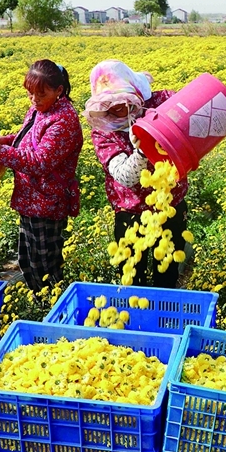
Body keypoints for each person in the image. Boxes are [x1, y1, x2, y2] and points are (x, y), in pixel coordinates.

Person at [0, 60, 82, 291]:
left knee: (45, 268)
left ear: (59, 91)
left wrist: (0, 150)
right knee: (28, 262)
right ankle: (40, 306)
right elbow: (29, 138)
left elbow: (40, 162)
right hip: (30, 199)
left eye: (40, 94)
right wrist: (2, 141)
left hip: (47, 202)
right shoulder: (41, 109)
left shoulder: (63, 120)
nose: (34, 99)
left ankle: (51, 311)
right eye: (30, 94)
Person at [84, 59, 188, 288]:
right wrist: (143, 150)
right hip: (130, 210)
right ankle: (135, 320)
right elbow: (124, 176)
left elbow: (190, 113)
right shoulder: (103, 132)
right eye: (109, 103)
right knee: (132, 274)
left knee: (168, 271)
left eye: (122, 98)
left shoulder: (161, 101)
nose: (118, 106)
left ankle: (164, 316)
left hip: (170, 202)